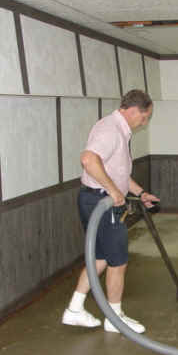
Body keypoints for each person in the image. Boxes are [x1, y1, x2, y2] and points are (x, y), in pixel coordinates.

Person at [62, 89, 159, 334]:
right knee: (118, 261)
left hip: (96, 199)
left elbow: (119, 173)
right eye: (145, 117)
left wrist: (139, 193)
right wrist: (113, 191)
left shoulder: (117, 130)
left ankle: (74, 309)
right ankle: (115, 318)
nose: (144, 123)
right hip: (101, 203)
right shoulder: (111, 130)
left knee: (101, 258)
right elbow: (88, 159)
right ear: (135, 110)